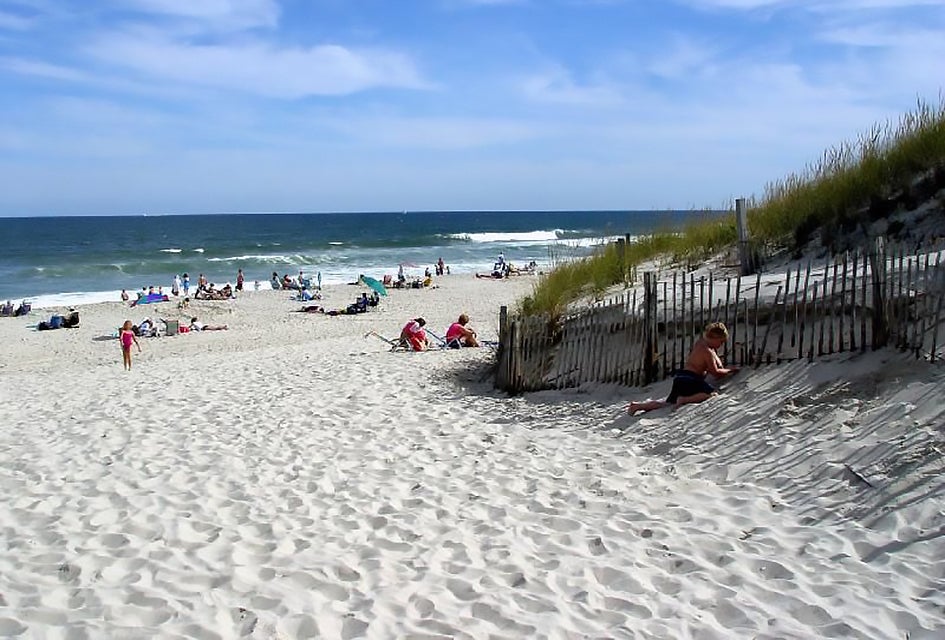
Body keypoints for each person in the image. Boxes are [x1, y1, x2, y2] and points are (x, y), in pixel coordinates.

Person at [627, 322, 738, 415]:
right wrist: (731, 370)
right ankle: (685, 399)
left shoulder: (700, 344)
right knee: (711, 394)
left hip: (681, 377)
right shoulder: (707, 351)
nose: (722, 345)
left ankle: (637, 406)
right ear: (715, 337)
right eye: (721, 341)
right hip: (690, 379)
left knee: (667, 403)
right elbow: (715, 372)